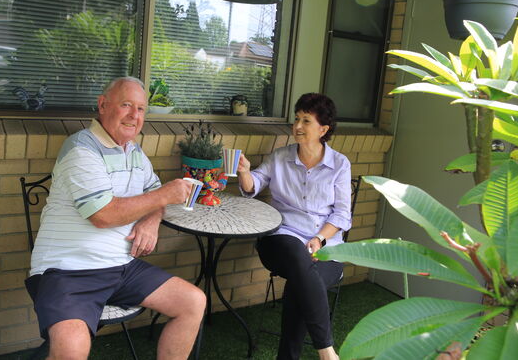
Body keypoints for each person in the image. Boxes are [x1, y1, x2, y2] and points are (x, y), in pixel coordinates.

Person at [26, 77, 206, 360]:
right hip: (67, 270)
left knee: (193, 301)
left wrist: (151, 220)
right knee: (72, 349)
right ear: (103, 105)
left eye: (142, 109)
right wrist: (164, 197)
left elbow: (154, 194)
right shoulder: (81, 149)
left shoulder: (134, 152)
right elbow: (103, 215)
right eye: (126, 105)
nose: (135, 116)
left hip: (121, 268)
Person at [237, 93, 351, 360]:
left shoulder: (340, 165)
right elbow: (253, 186)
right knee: (299, 263)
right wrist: (244, 172)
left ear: (323, 129)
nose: (297, 126)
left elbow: (343, 215)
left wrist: (320, 239)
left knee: (300, 285)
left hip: (326, 247)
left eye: (306, 121)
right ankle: (327, 350)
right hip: (281, 239)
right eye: (297, 119)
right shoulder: (280, 157)